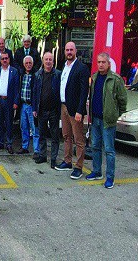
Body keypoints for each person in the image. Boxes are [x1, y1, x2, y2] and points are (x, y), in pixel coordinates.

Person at [86, 53, 128, 189]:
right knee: (95, 147)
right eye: (98, 62)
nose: (100, 65)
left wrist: (116, 114)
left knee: (109, 150)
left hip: (108, 121)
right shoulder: (94, 77)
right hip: (96, 119)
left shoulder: (115, 79)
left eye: (103, 62)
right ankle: (97, 171)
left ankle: (110, 177)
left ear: (108, 64)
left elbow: (123, 99)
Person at [54, 42, 90, 180]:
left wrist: (80, 110)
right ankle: (67, 161)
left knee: (78, 139)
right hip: (63, 106)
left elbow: (83, 91)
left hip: (75, 109)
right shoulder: (64, 66)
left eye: (71, 50)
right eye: (67, 50)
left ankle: (78, 167)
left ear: (76, 51)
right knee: (66, 136)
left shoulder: (81, 68)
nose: (69, 52)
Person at [34, 51, 62, 168]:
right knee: (42, 134)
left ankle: (54, 158)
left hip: (54, 111)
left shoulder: (58, 74)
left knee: (55, 136)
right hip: (42, 110)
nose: (48, 62)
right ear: (43, 61)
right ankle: (42, 155)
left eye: (50, 59)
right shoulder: (38, 75)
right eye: (46, 59)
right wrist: (35, 108)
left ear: (53, 61)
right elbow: (35, 93)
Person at [0, 51, 19, 153]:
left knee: (9, 123)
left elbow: (16, 88)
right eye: (2, 59)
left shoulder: (14, 71)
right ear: (0, 60)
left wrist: (16, 102)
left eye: (6, 58)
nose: (5, 60)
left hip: (9, 101)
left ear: (9, 59)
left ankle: (9, 144)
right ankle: (0, 143)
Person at [17, 55, 41, 156]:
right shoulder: (21, 75)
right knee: (24, 127)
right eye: (26, 63)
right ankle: (25, 146)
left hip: (32, 106)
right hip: (23, 105)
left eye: (30, 63)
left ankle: (36, 150)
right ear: (23, 64)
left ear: (33, 64)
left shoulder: (36, 75)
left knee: (34, 129)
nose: (28, 65)